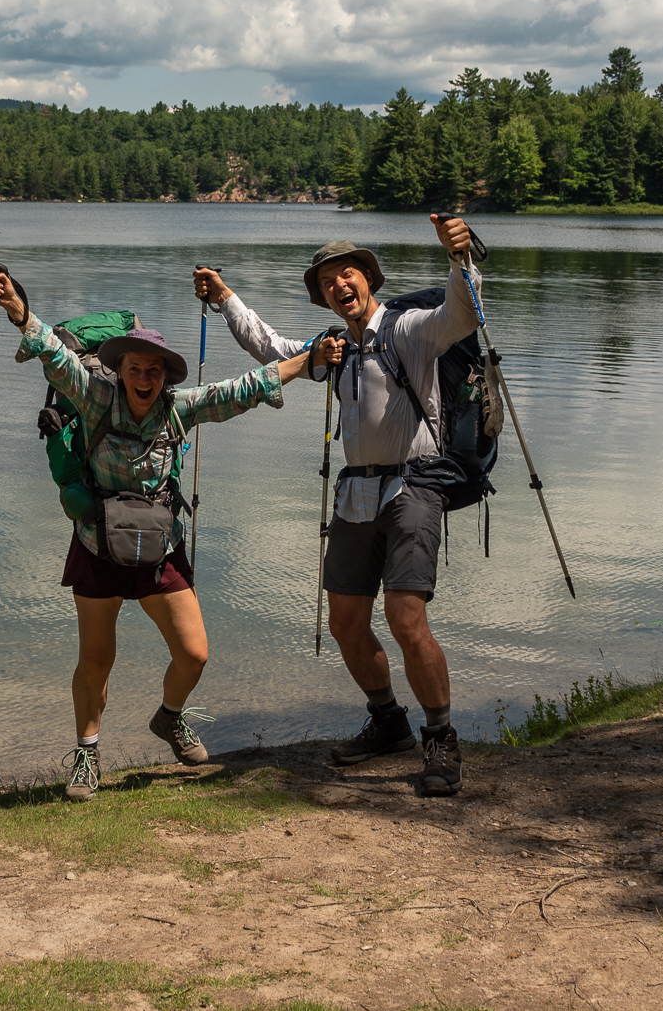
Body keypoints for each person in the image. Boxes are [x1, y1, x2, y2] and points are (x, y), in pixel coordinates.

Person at [0, 269, 339, 802]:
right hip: (97, 542)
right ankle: (86, 755)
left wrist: (307, 361)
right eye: (135, 368)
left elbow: (245, 389)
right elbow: (54, 357)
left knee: (194, 654)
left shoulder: (180, 409)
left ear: (164, 377)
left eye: (153, 370)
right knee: (96, 659)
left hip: (160, 548)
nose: (145, 377)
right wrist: (17, 308)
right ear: (120, 370)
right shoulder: (94, 398)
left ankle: (169, 719)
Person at [194, 214, 479, 796]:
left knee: (405, 616)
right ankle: (389, 723)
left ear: (367, 278)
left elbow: (463, 315)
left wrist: (460, 257)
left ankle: (441, 738)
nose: (338, 285)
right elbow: (269, 347)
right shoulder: (332, 348)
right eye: (327, 281)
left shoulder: (410, 329)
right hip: (355, 493)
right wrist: (226, 299)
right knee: (346, 620)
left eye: (347, 273)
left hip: (416, 485)